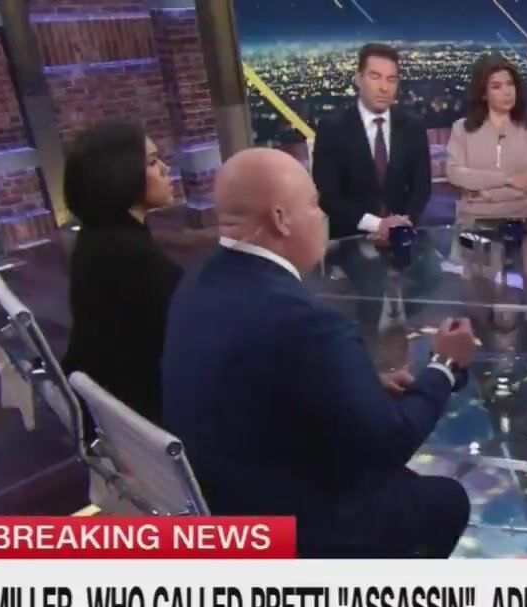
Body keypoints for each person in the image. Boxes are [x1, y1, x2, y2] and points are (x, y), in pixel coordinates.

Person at [161, 148, 477, 559]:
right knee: (446, 499)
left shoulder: (197, 282)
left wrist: (358, 386)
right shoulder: (306, 322)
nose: (322, 216)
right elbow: (390, 442)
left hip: (224, 498)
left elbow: (259, 377)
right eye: (313, 204)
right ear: (280, 219)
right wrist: (445, 366)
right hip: (297, 523)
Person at [60, 120, 180, 424]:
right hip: (148, 410)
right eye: (152, 162)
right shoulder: (132, 259)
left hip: (113, 403)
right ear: (121, 175)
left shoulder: (96, 238)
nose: (165, 168)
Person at [312, 43, 431, 245]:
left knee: (433, 266)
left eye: (391, 79)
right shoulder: (332, 128)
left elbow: (422, 188)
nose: (384, 87)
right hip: (351, 237)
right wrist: (377, 225)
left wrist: (400, 225)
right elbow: (328, 196)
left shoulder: (413, 127)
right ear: (359, 79)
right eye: (375, 77)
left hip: (403, 234)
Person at [446, 55, 527, 228]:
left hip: (526, 220)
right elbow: (456, 174)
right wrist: (508, 180)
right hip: (473, 222)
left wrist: (486, 195)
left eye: (510, 84)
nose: (507, 92)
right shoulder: (462, 129)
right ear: (483, 94)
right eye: (497, 86)